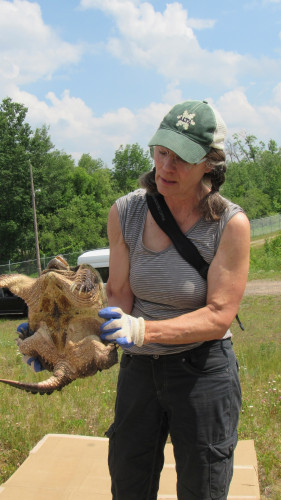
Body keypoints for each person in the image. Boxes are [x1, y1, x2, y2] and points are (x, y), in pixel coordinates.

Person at [98, 100, 250, 500]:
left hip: (202, 371)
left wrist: (143, 330)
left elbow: (218, 316)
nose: (165, 167)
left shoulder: (229, 225)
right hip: (140, 373)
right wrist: (63, 341)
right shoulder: (126, 212)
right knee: (129, 482)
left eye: (181, 158)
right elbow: (118, 296)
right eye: (161, 151)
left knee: (203, 487)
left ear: (209, 163)